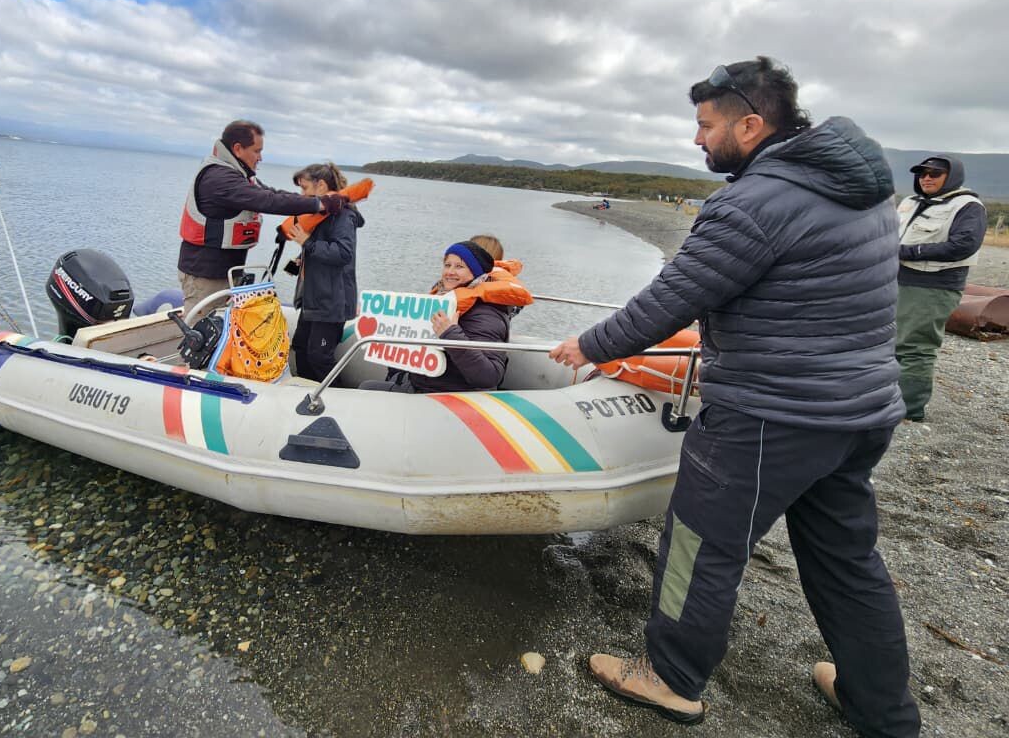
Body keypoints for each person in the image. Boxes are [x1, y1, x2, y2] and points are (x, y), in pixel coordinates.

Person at [549, 57, 919, 737]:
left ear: (750, 125)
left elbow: (671, 298)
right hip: (860, 409)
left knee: (699, 544)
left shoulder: (754, 202)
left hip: (769, 415)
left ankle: (671, 677)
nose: (696, 140)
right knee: (847, 560)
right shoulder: (862, 191)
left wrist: (591, 345)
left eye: (705, 125)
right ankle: (881, 706)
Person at [178, 120, 344, 322]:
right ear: (238, 149)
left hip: (225, 273)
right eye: (257, 151)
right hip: (205, 275)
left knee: (223, 332)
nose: (260, 157)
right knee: (204, 337)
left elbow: (271, 193)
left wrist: (315, 204)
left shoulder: (240, 176)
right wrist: (318, 204)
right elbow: (268, 200)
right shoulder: (219, 178)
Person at [360, 237, 531, 393]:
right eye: (447, 265)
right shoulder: (445, 299)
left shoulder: (486, 313)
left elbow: (489, 376)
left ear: (476, 273)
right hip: (426, 384)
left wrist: (451, 334)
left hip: (449, 395)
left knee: (366, 389)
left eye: (459, 267)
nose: (450, 271)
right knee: (370, 385)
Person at [895, 155, 986, 421]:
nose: (927, 177)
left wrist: (908, 252)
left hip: (933, 286)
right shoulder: (909, 203)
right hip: (896, 279)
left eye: (935, 173)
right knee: (890, 342)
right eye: (922, 173)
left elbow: (963, 246)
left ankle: (908, 409)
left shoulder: (968, 205)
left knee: (916, 345)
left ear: (953, 176)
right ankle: (887, 399)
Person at [287, 162, 365, 382]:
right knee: (300, 349)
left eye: (305, 188)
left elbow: (343, 253)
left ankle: (337, 400)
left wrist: (308, 242)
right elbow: (314, 251)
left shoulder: (343, 216)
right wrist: (294, 265)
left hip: (331, 300)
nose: (301, 194)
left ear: (321, 186)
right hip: (312, 298)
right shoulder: (320, 215)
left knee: (319, 356)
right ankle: (305, 394)